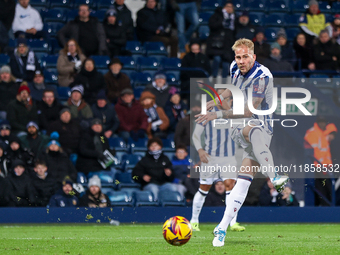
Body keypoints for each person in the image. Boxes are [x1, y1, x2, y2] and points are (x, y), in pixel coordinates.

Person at [195, 38, 289, 246]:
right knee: (252, 130)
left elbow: (250, 109)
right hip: (241, 124)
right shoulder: (234, 67)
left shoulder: (262, 77)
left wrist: (217, 114)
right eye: (238, 57)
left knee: (243, 181)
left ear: (253, 57)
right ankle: (273, 175)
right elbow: (232, 88)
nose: (241, 61)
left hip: (262, 125)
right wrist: (216, 99)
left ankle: (221, 228)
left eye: (245, 56)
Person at [190, 104, 244, 232]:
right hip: (210, 157)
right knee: (204, 188)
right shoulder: (208, 113)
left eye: (227, 97)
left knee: (231, 186)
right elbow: (195, 135)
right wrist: (200, 149)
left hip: (229, 158)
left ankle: (233, 223)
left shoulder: (235, 113)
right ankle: (194, 221)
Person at [304, 116, 336, 206]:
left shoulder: (322, 134)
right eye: (321, 122)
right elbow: (313, 151)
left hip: (324, 169)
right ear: (317, 122)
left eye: (324, 122)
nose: (323, 124)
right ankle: (322, 209)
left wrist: (327, 167)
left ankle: (327, 208)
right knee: (320, 190)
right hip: (316, 167)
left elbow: (325, 154)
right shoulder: (312, 133)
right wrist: (321, 166)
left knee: (327, 190)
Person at [206, 1, 235, 80]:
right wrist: (223, 20)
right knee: (217, 59)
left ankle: (224, 83)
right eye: (227, 6)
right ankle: (213, 78)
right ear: (224, 7)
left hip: (227, 46)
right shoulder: (217, 15)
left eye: (231, 7)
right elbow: (212, 25)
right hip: (216, 45)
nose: (229, 9)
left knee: (226, 65)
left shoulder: (234, 19)